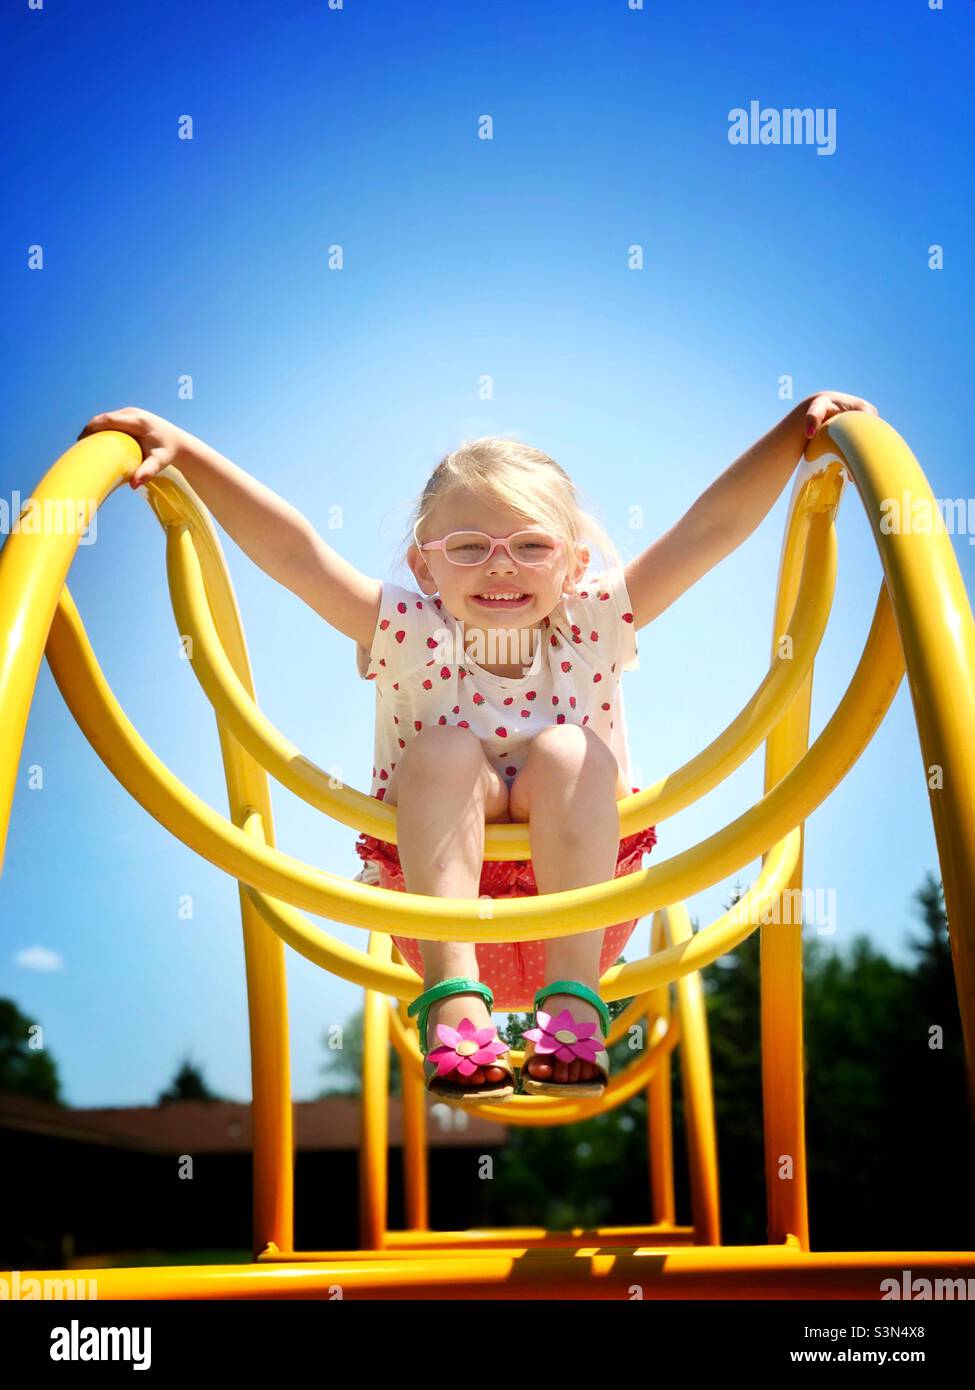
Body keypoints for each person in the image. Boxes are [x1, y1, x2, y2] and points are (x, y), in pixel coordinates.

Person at [77, 392, 878, 1103]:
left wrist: (790, 434)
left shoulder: (593, 623)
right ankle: (455, 1006)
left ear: (576, 563)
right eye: (468, 547)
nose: (501, 567)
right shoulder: (404, 631)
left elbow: (707, 530)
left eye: (530, 546)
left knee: (568, 750)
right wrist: (191, 454)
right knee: (443, 751)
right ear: (424, 564)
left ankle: (573, 1009)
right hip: (437, 914)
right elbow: (295, 555)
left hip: (583, 911)